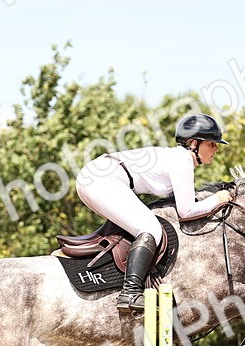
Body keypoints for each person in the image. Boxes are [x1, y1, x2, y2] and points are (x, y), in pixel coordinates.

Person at [75, 113, 233, 313]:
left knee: (141, 225)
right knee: (151, 228)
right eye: (211, 144)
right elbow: (186, 211)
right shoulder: (182, 160)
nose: (216, 148)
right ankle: (130, 292)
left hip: (96, 176)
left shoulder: (177, 158)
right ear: (194, 143)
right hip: (103, 179)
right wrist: (218, 199)